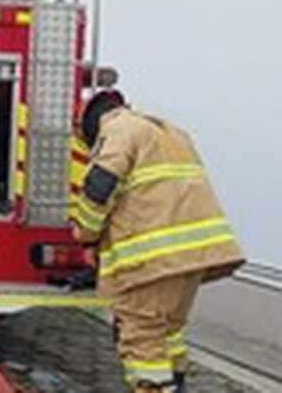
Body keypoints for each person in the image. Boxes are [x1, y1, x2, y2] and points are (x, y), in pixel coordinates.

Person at [71, 89, 245, 393]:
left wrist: (84, 232)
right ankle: (176, 385)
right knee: (170, 332)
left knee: (142, 338)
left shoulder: (118, 129)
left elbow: (101, 183)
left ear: (91, 122)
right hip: (193, 255)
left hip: (152, 261)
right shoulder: (171, 132)